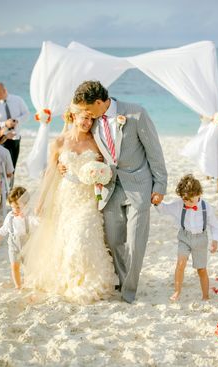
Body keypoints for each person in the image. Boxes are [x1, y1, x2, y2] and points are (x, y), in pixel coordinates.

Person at [59, 80, 167, 303]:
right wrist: (64, 164)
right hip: (110, 186)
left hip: (139, 185)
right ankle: (121, 278)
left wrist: (160, 186)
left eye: (89, 109)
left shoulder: (136, 114)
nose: (87, 115)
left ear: (99, 102)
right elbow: (81, 144)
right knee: (114, 238)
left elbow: (154, 151)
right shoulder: (94, 121)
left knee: (136, 240)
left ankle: (129, 291)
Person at [23, 103, 117, 304]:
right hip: (65, 197)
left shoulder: (96, 141)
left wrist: (100, 171)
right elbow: (50, 172)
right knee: (66, 238)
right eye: (84, 117)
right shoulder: (58, 142)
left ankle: (88, 280)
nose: (87, 122)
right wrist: (40, 201)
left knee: (83, 235)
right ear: (73, 116)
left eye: (91, 119)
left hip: (88, 199)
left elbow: (108, 165)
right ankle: (69, 279)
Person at [156, 174, 218, 301]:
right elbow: (165, 209)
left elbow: (215, 225)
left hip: (201, 239)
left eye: (191, 200)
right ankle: (177, 291)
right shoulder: (180, 205)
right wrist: (157, 203)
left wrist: (215, 240)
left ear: (199, 194)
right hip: (184, 237)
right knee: (180, 264)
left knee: (201, 269)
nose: (188, 204)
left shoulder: (206, 207)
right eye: (185, 200)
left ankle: (205, 296)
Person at [0, 187, 39, 289]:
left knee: (28, 267)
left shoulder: (29, 215)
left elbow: (37, 223)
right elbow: (4, 229)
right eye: (13, 207)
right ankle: (18, 285)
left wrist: (30, 216)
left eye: (18, 207)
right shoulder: (10, 216)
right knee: (14, 266)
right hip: (13, 244)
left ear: (26, 204)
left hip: (27, 244)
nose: (15, 210)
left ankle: (28, 283)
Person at [0, 82, 30, 174]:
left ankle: (10, 187)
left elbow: (26, 114)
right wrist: (6, 123)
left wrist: (17, 121)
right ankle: (4, 187)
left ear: (4, 91)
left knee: (12, 169)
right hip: (2, 140)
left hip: (16, 138)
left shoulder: (17, 100)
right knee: (3, 169)